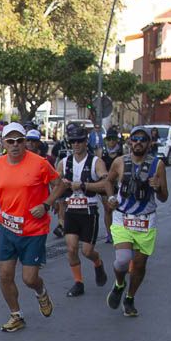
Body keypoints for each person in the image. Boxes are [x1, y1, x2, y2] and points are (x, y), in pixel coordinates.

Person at [0, 123, 62, 332]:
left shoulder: (40, 163)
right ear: (3, 143)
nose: (16, 145)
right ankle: (16, 315)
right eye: (10, 141)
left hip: (34, 230)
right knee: (5, 276)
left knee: (29, 278)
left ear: (25, 142)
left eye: (20, 140)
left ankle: (41, 292)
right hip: (8, 228)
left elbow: (60, 185)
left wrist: (46, 204)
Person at [105, 126, 169, 317]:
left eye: (143, 139)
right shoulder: (119, 162)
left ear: (149, 143)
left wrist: (157, 188)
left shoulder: (157, 165)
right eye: (135, 139)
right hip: (122, 217)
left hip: (145, 220)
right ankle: (119, 284)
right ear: (130, 142)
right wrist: (110, 198)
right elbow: (108, 181)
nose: (138, 142)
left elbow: (164, 197)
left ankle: (130, 298)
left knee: (139, 265)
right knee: (123, 260)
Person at [55, 124, 109, 297]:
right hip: (71, 210)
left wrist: (85, 185)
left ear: (86, 142)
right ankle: (78, 282)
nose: (76, 144)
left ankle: (98, 262)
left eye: (79, 141)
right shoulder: (64, 163)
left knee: (87, 251)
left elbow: (106, 183)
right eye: (73, 141)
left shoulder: (96, 162)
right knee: (71, 249)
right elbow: (55, 184)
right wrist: (57, 196)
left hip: (88, 211)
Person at [99, 128, 124, 244]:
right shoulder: (101, 152)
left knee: (119, 209)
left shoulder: (122, 152)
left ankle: (120, 231)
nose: (111, 142)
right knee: (108, 209)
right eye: (109, 140)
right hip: (106, 184)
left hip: (118, 184)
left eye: (113, 139)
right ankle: (109, 234)